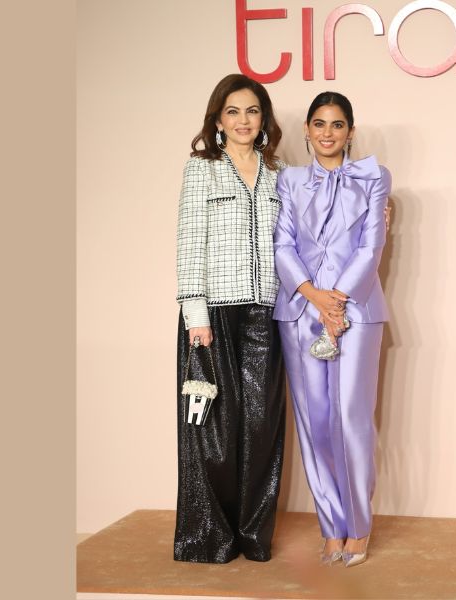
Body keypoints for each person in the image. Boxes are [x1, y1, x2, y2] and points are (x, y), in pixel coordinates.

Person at [273, 91, 391, 567]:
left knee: (350, 418)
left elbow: (372, 245)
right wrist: (313, 296)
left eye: (337, 124)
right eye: (319, 124)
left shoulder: (374, 177)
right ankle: (332, 527)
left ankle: (358, 527)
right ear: (306, 129)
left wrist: (336, 300)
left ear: (350, 131)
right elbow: (282, 243)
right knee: (315, 423)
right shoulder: (289, 180)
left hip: (356, 313)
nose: (327, 133)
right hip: (301, 311)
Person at [174, 73, 287, 564]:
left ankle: (252, 534)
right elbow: (188, 242)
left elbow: (302, 238)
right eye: (233, 112)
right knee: (214, 429)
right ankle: (210, 537)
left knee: (262, 428)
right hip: (214, 315)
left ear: (264, 119)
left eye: (252, 111)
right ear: (218, 120)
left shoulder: (279, 172)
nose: (244, 120)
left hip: (268, 311)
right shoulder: (203, 168)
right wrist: (194, 315)